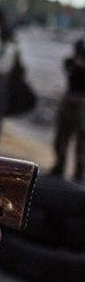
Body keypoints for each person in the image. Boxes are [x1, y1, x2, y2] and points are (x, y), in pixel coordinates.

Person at [51, 38, 85, 182]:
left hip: (82, 102)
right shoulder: (70, 62)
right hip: (69, 99)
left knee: (81, 139)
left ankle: (79, 172)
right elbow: (69, 67)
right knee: (61, 136)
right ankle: (59, 165)